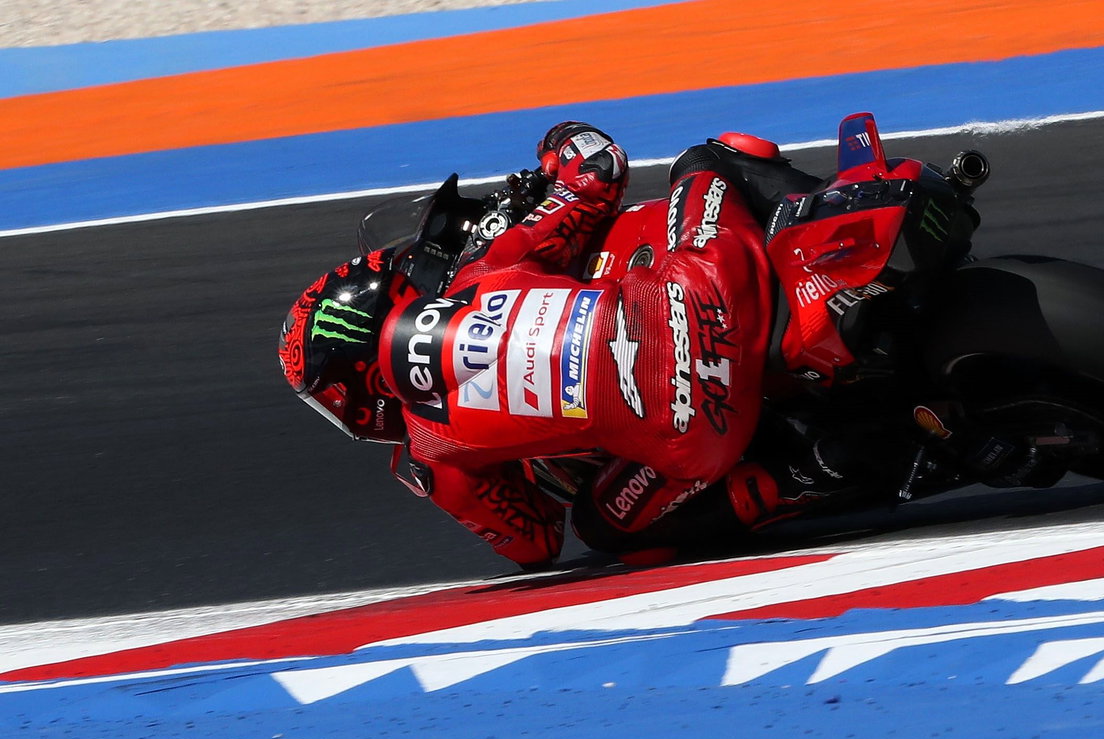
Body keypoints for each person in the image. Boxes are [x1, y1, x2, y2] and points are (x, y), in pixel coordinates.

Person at [278, 122, 850, 569]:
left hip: (702, 432)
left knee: (603, 528)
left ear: (365, 376)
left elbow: (536, 544)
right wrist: (560, 143)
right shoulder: (487, 266)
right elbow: (601, 167)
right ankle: (838, 205)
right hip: (710, 281)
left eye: (333, 401)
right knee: (707, 159)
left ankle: (808, 474)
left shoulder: (432, 451)